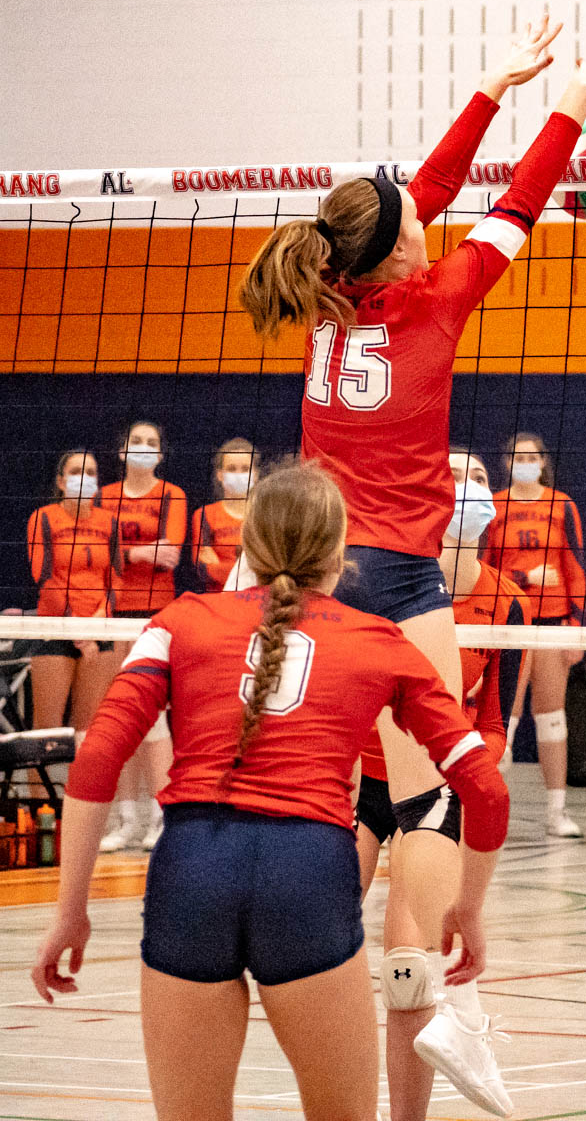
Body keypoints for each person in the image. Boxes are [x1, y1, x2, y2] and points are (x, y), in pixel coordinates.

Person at [238, 17, 586, 1112]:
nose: (430, 218)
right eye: (416, 223)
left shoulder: (331, 298)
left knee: (359, 805)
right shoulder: (438, 298)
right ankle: (452, 996)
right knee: (438, 802)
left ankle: (358, 990)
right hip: (397, 580)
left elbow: (410, 198)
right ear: (400, 253)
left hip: (312, 582)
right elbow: (520, 200)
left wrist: (490, 87)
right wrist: (571, 100)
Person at [31, 462, 510, 1121]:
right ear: (340, 555)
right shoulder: (381, 641)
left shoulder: (177, 621)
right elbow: (485, 790)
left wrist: (70, 912)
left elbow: (95, 761)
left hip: (191, 873)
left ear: (247, 547)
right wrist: (469, 908)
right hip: (306, 875)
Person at [355, 448, 530, 1119]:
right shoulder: (378, 580)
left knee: (407, 972)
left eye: (479, 478)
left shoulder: (508, 600)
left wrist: (468, 766)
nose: (466, 488)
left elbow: (494, 719)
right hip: (358, 782)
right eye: (453, 476)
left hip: (436, 786)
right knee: (316, 950)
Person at [484, 432, 586, 837]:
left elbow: (575, 566)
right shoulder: (494, 505)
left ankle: (557, 812)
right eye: (517, 457)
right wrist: (525, 577)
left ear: (543, 462)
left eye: (532, 457)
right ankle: (487, 808)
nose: (525, 463)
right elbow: (483, 567)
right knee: (502, 720)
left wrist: (576, 627)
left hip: (552, 622)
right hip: (509, 621)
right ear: (507, 462)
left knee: (552, 719)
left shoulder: (562, 505)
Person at [97, 420, 187, 852]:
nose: (144, 447)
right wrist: (137, 552)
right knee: (123, 715)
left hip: (157, 612)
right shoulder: (104, 497)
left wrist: (124, 553)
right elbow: (99, 555)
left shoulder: (172, 495)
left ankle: (160, 814)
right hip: (112, 611)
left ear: (161, 454)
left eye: (152, 442)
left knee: (155, 717)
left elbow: (170, 555)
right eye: (137, 441)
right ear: (122, 450)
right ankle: (127, 819)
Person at [25, 450, 121, 747]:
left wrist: (97, 623)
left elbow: (116, 578)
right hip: (56, 630)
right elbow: (45, 578)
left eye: (90, 473)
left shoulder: (110, 521)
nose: (84, 478)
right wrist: (78, 630)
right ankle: (40, 781)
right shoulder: (43, 517)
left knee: (90, 731)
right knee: (47, 734)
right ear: (61, 481)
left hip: (98, 631)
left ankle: (82, 782)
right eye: (76, 472)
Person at [191, 438, 258, 592]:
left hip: (256, 599)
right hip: (217, 598)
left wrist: (218, 567)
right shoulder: (205, 514)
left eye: (245, 469)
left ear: (255, 474)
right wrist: (249, 572)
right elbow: (202, 571)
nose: (238, 474)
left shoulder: (266, 515)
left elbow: (271, 570)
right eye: (232, 469)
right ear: (220, 475)